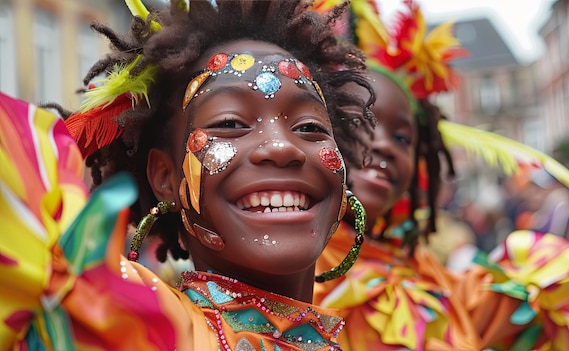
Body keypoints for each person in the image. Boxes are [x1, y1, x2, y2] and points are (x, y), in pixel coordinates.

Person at [0, 0, 377, 349]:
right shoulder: (122, 323)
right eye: (230, 122)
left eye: (310, 127)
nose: (282, 148)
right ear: (165, 177)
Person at [312, 0, 569, 350]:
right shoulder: (287, 256)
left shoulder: (419, 273)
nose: (384, 145)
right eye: (360, 121)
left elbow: (511, 294)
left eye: (403, 137)